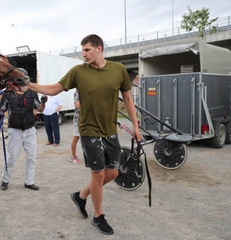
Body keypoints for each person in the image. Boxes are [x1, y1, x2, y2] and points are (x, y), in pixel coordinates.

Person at [27, 34, 141, 235]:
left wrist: (136, 127)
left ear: (99, 48)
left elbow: (129, 100)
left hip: (110, 131)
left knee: (113, 173)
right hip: (88, 130)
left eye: (87, 50)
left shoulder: (118, 70)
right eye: (82, 50)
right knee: (97, 175)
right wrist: (28, 85)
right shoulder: (78, 72)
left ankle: (81, 196)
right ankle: (98, 216)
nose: (84, 54)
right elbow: (54, 88)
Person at [0, 68, 47, 191]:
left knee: (31, 157)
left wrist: (44, 103)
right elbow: (1, 109)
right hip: (15, 130)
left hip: (30, 129)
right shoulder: (7, 93)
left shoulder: (32, 93)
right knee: (11, 157)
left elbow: (40, 109)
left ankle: (29, 182)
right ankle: (5, 180)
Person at [70, 90, 82, 163]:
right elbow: (77, 105)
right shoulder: (77, 92)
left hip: (88, 118)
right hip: (78, 118)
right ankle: (73, 156)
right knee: (76, 138)